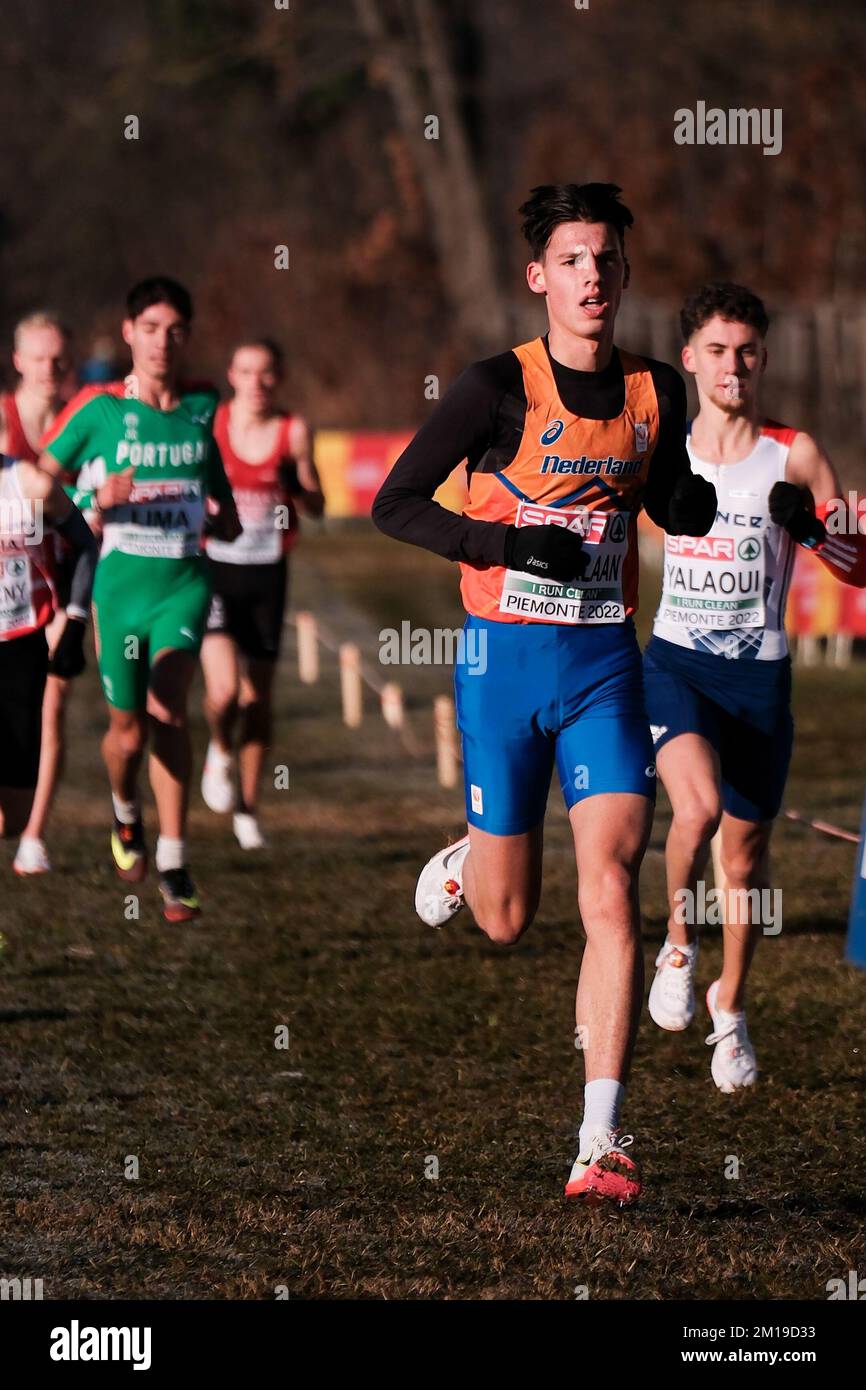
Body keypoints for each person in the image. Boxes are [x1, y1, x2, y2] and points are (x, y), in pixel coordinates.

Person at [372, 183, 717, 1205]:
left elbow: (660, 494)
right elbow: (396, 502)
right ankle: (473, 848)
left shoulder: (658, 385)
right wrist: (497, 539)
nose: (591, 277)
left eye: (606, 260)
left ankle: (598, 1139)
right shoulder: (492, 388)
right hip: (498, 668)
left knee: (609, 888)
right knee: (505, 920)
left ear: (623, 274)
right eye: (571, 260)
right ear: (538, 277)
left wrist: (683, 503)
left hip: (605, 665)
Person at [644, 282, 866, 1090]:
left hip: (760, 680)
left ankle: (729, 1008)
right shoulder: (665, 446)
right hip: (676, 665)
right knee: (695, 810)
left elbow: (859, 565)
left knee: (744, 861)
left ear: (763, 358)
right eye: (716, 350)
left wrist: (808, 525)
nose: (732, 365)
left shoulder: (794, 453)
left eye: (745, 351)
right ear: (689, 359)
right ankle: (676, 941)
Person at [40, 277, 241, 923]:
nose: (163, 341)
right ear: (129, 333)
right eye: (150, 328)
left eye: (175, 330)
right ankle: (126, 814)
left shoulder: (203, 407)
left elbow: (224, 504)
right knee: (126, 736)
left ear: (187, 336)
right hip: (119, 592)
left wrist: (223, 516)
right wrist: (93, 501)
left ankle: (177, 863)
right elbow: (38, 487)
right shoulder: (98, 410)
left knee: (169, 710)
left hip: (183, 586)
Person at [200, 338, 323, 849]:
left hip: (268, 574)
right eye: (247, 371)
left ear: (279, 378)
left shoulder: (293, 431)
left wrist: (297, 483)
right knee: (225, 691)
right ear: (232, 374)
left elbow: (317, 505)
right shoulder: (211, 425)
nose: (256, 383)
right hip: (215, 570)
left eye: (266, 373)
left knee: (258, 696)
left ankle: (248, 809)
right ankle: (218, 748)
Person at [0, 311, 84, 875]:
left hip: (57, 585)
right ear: (18, 362)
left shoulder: (90, 418)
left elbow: (81, 522)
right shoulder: (6, 421)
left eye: (58, 359)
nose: (49, 369)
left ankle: (34, 835)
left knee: (51, 708)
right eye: (39, 358)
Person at [0, 452, 97, 844]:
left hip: (21, 646)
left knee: (14, 820)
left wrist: (75, 619)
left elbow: (85, 545)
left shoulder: (30, 484)